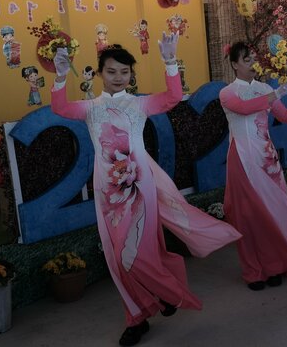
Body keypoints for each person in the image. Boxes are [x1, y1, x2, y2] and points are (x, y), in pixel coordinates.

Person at [52, 35, 241, 346]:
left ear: (131, 75)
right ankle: (137, 317)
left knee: (141, 252)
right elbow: (59, 108)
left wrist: (170, 61)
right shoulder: (89, 109)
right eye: (112, 71)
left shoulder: (139, 104)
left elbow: (171, 97)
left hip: (140, 187)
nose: (118, 77)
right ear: (101, 73)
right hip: (108, 194)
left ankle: (163, 294)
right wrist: (60, 77)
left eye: (124, 72)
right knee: (118, 257)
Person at [219, 42, 287, 291]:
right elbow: (245, 108)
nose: (252, 63)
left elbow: (284, 116)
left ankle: (276, 266)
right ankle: (253, 271)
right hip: (242, 160)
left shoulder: (263, 88)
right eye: (247, 59)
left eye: (254, 58)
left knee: (275, 213)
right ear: (235, 64)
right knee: (248, 217)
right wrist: (277, 93)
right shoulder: (227, 93)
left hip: (268, 159)